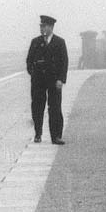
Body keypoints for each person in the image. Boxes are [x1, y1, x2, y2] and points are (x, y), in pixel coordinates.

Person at [26, 14, 69, 144]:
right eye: (41, 26)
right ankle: (38, 133)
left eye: (44, 26)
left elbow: (64, 62)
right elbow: (29, 60)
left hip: (54, 81)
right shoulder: (35, 42)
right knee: (37, 107)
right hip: (38, 81)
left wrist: (61, 79)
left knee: (55, 108)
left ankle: (56, 136)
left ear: (51, 27)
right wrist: (33, 73)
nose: (41, 28)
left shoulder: (59, 42)